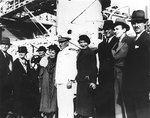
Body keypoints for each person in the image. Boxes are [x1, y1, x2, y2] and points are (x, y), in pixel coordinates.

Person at [122, 10, 150, 118]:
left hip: (142, 87)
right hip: (131, 87)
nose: (136, 25)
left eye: (139, 22)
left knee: (142, 114)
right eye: (134, 23)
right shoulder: (133, 40)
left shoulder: (147, 40)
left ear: (144, 24)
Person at [96, 20, 118, 118]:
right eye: (105, 29)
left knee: (112, 103)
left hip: (113, 77)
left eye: (109, 29)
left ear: (113, 30)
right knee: (103, 103)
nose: (106, 31)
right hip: (103, 77)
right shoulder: (101, 45)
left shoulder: (117, 42)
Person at [55, 36, 77, 118]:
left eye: (62, 42)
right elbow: (58, 68)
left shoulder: (71, 53)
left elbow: (73, 67)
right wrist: (56, 80)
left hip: (67, 82)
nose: (60, 44)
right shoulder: (59, 53)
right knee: (60, 104)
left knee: (68, 103)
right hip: (60, 82)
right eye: (59, 42)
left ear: (67, 42)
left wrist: (71, 79)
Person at [75, 35, 97, 118]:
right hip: (80, 79)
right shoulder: (80, 52)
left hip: (87, 80)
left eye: (84, 42)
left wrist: (93, 81)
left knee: (87, 102)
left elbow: (94, 67)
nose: (82, 44)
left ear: (88, 43)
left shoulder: (91, 53)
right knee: (81, 101)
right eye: (80, 42)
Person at [11, 46, 34, 118]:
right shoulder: (15, 62)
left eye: (23, 52)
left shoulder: (27, 62)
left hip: (27, 88)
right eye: (20, 52)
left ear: (25, 53)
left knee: (26, 105)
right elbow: (15, 76)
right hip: (19, 87)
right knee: (19, 105)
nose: (21, 54)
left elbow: (29, 74)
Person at [39, 44, 60, 118]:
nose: (51, 54)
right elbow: (40, 74)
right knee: (45, 98)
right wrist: (40, 85)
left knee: (54, 98)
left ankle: (53, 113)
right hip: (46, 82)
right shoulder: (45, 61)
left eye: (53, 53)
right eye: (50, 53)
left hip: (54, 82)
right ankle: (45, 113)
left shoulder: (59, 61)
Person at [0, 37, 13, 117]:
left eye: (6, 45)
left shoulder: (9, 56)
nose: (5, 46)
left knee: (5, 106)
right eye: (3, 44)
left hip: (7, 85)